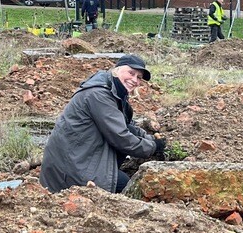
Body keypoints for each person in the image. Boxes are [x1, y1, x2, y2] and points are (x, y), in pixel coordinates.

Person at [39, 53, 165, 194]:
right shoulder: (99, 94)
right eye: (131, 73)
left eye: (139, 77)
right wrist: (153, 147)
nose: (135, 80)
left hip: (80, 158)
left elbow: (126, 124)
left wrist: (149, 139)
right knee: (128, 187)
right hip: (71, 169)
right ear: (117, 70)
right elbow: (121, 137)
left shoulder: (114, 91)